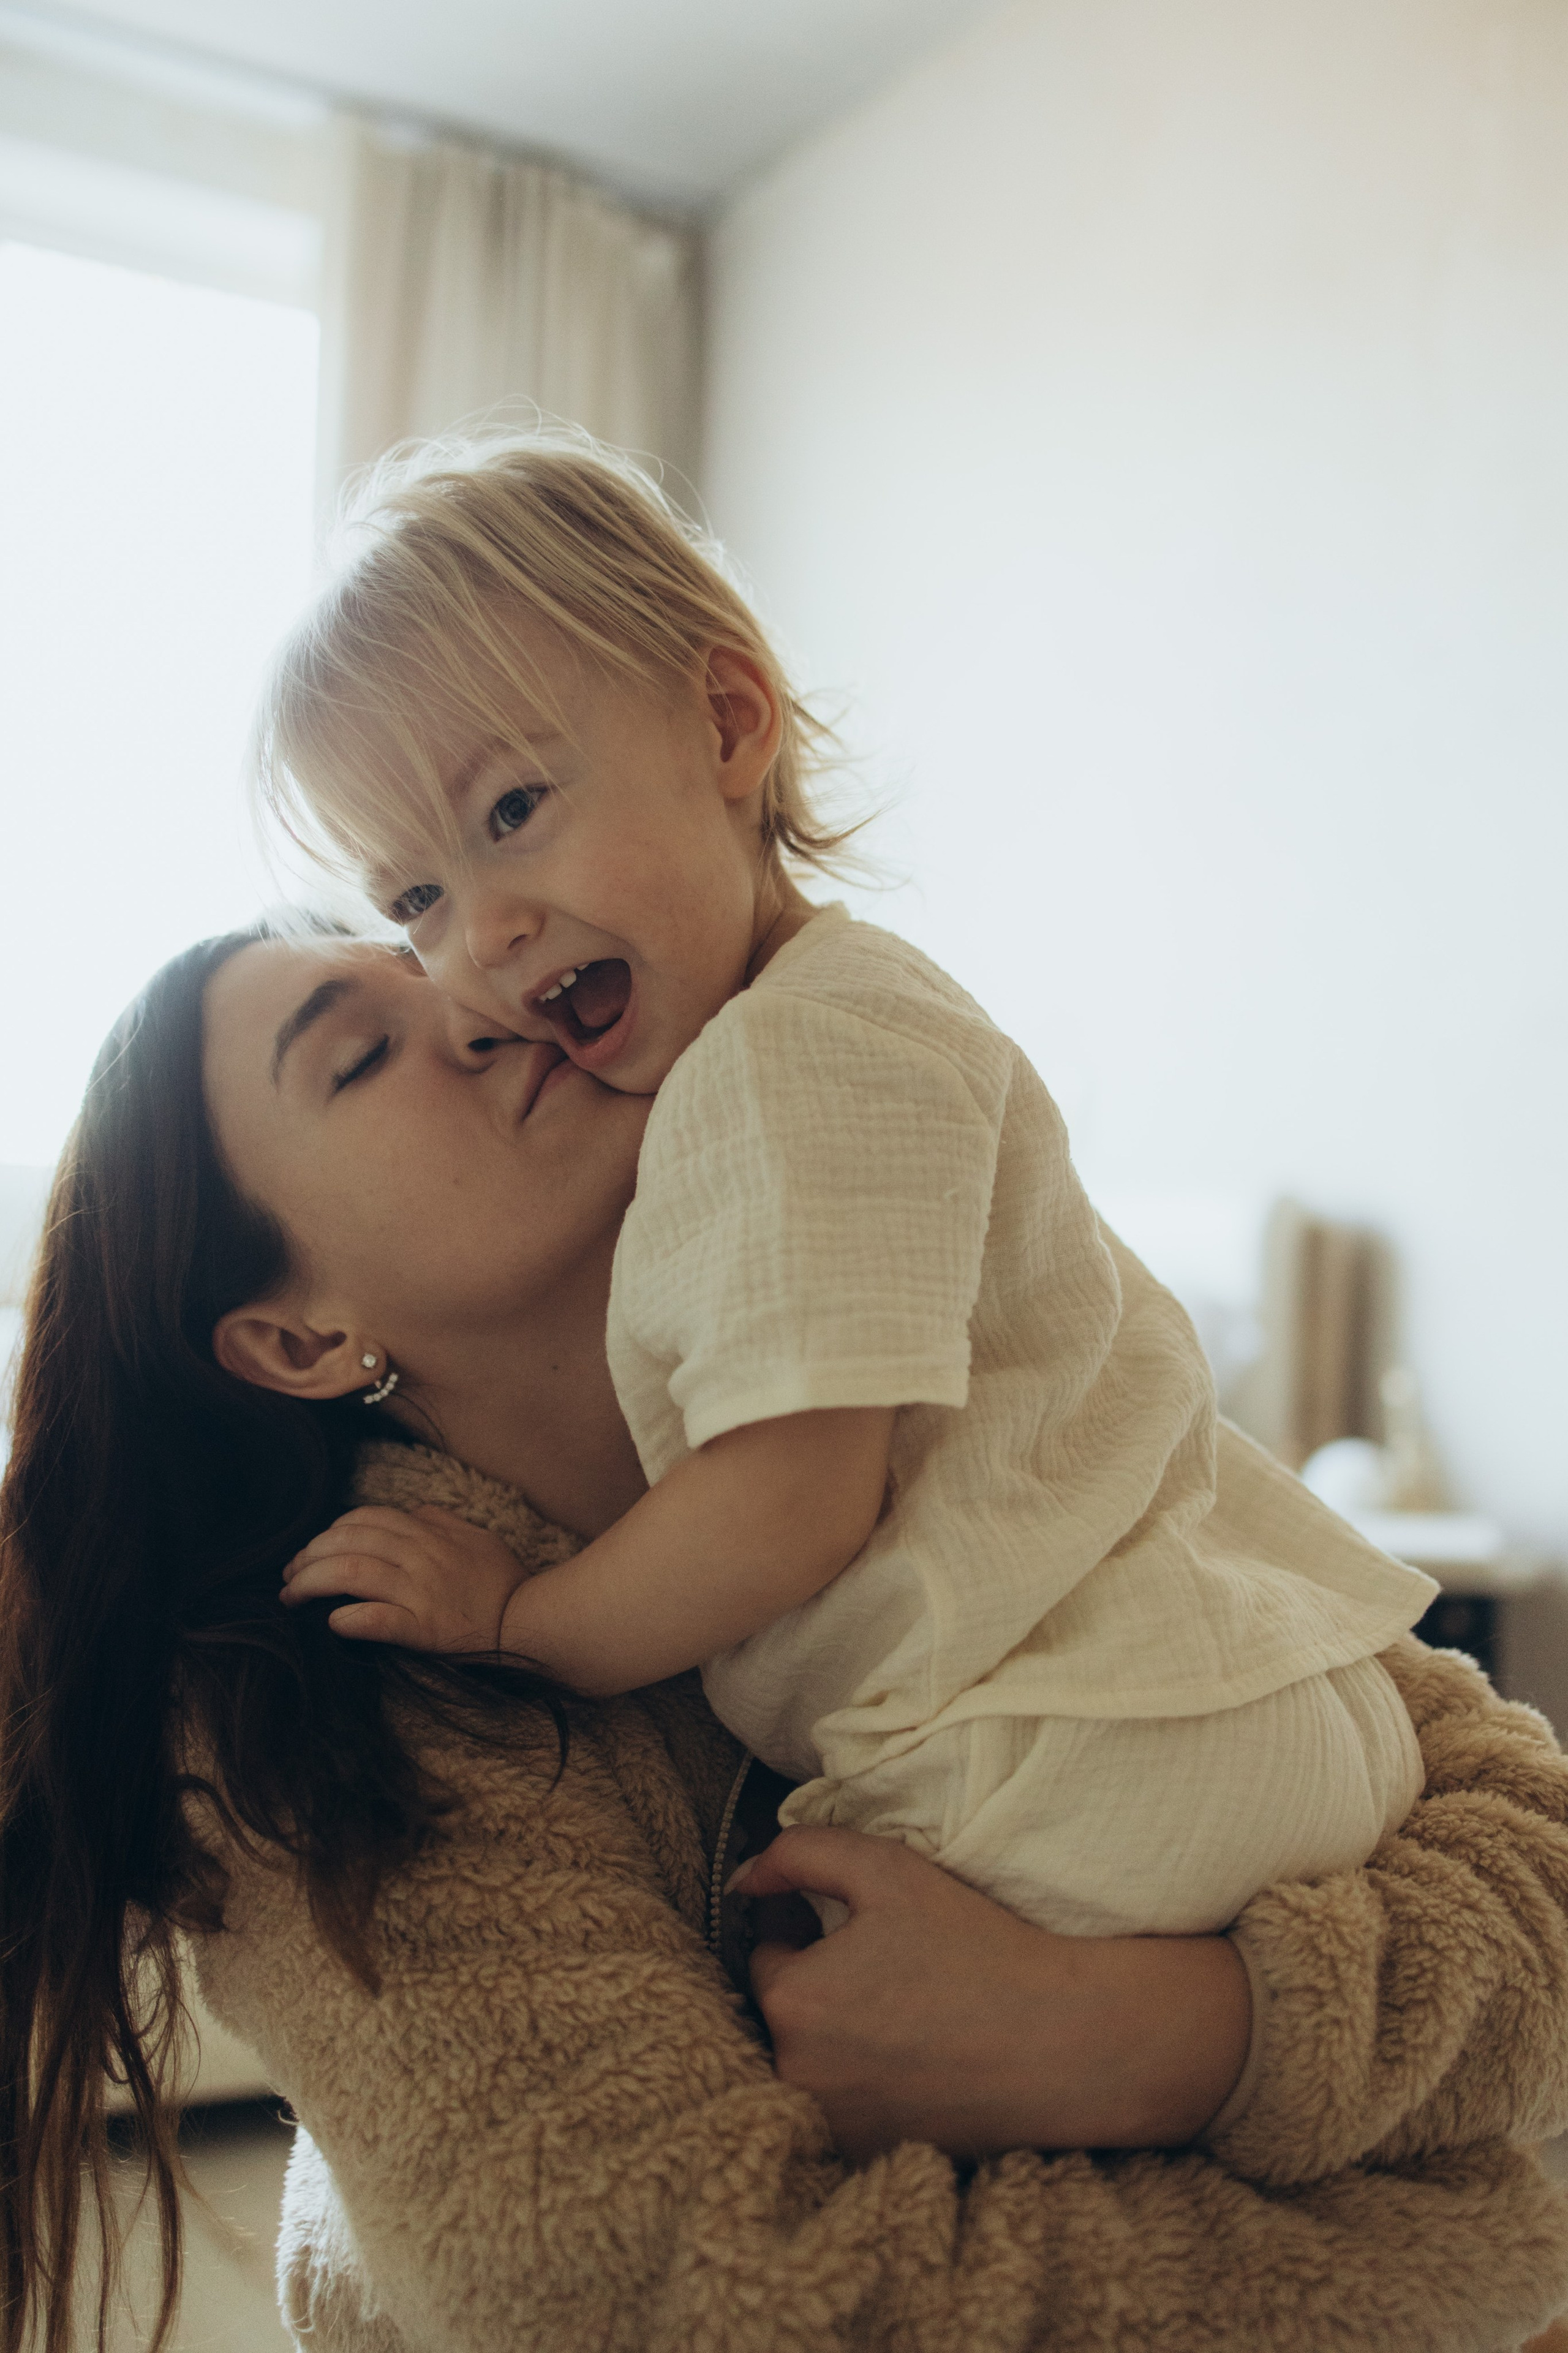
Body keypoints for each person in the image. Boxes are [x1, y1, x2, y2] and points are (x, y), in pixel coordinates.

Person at [3, 924, 1568, 2353]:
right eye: (358, 1051)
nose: (478, 998)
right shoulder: (339, 1697)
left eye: (435, 959)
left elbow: (1524, 1833)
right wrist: (1481, 2237)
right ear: (300, 1337)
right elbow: (677, 2305)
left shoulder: (986, 1370)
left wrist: (1180, 2036)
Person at [265, 431, 1434, 1944]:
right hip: (1189, 1697)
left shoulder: (781, 1066)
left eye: (511, 811)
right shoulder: (846, 1014)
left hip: (1077, 1732)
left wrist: (520, 1623)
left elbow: (782, 1508)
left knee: (805, 1994)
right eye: (415, 896)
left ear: (725, 720)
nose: (480, 933)